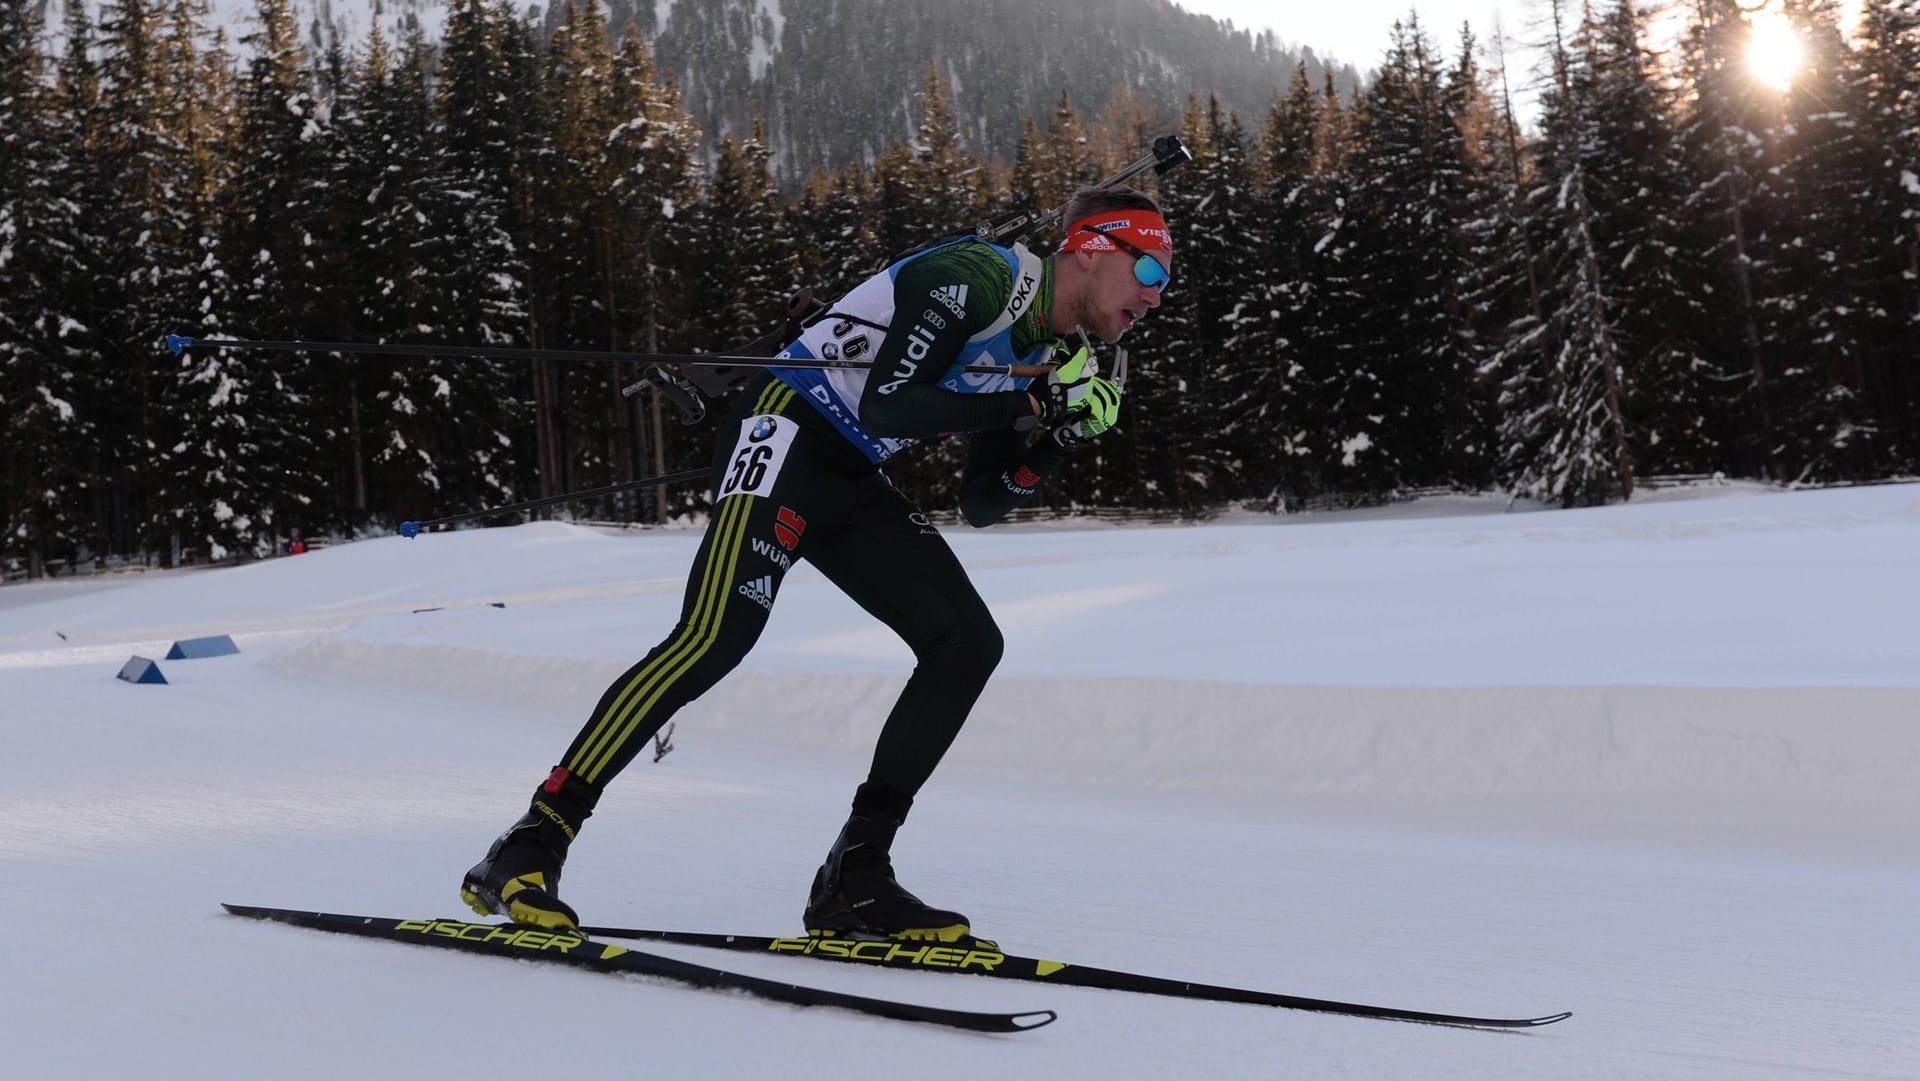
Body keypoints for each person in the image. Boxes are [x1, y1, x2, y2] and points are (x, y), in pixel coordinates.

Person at [461, 186, 1174, 941]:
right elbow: (890, 405)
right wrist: (1033, 408)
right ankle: (532, 839)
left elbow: (983, 500)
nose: (1155, 298)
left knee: (966, 642)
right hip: (785, 423)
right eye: (1150, 272)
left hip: (848, 472)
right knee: (715, 637)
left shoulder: (1052, 350)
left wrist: (1059, 438)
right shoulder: (980, 277)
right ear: (1093, 248)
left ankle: (855, 875)